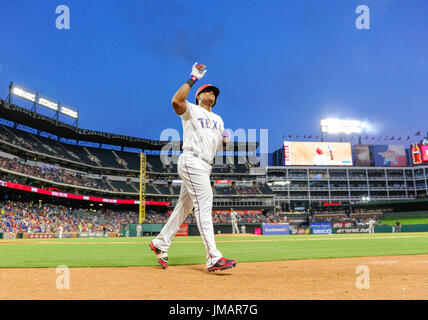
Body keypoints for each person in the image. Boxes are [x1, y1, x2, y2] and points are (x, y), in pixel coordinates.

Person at [149, 62, 236, 272]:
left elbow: (217, 148)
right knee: (205, 202)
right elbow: (176, 101)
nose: (211, 94)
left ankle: (160, 243)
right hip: (191, 160)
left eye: (214, 93)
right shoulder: (192, 110)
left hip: (205, 164)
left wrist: (225, 142)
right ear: (198, 95)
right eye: (207, 91)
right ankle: (213, 257)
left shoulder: (219, 119)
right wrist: (193, 78)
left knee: (184, 207)